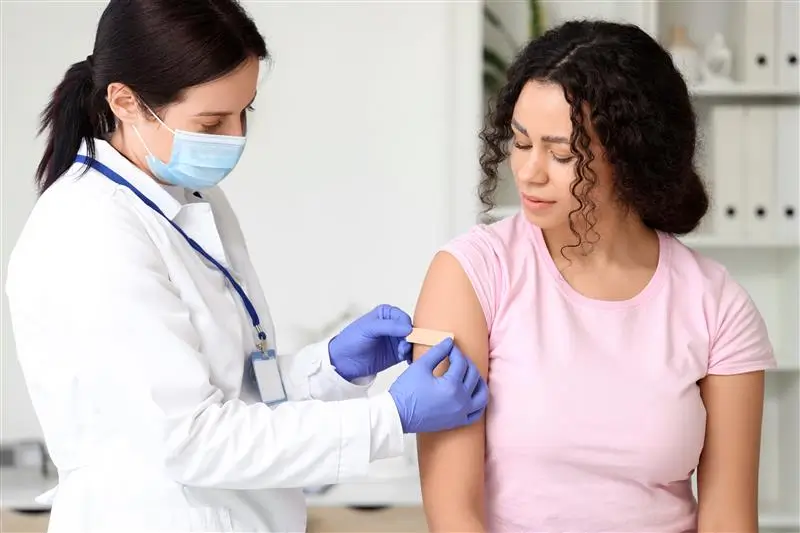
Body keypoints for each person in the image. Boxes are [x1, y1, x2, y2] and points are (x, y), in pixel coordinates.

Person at [4, 1, 489, 532]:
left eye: (245, 112)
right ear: (124, 102)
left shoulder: (190, 200)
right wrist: (388, 417)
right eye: (211, 121)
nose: (234, 137)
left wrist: (327, 367)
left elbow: (230, 391)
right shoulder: (90, 231)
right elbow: (190, 440)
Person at [411, 19, 777, 533]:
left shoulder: (716, 304)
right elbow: (454, 514)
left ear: (632, 155)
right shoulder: (472, 275)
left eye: (562, 154)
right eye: (520, 143)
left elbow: (729, 518)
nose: (530, 171)